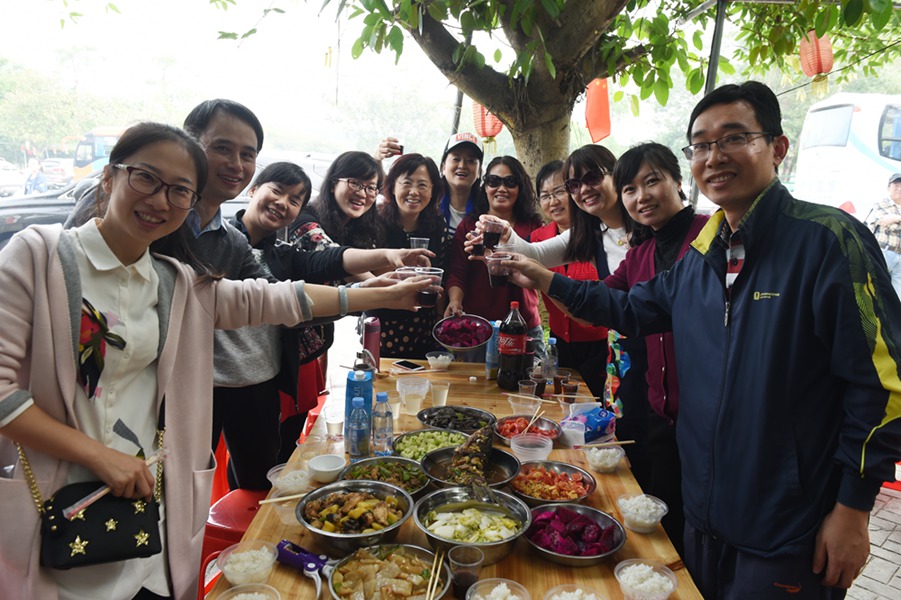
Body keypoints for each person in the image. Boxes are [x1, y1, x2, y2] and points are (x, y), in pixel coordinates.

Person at [0, 122, 430, 600]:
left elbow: (268, 298)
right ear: (109, 176)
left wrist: (375, 294)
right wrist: (100, 457)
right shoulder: (39, 257)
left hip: (150, 513)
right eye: (146, 178)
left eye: (179, 190)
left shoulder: (173, 281)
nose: (161, 200)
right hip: (58, 512)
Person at [507, 81, 901, 598]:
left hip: (788, 524)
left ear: (778, 147)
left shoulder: (826, 240)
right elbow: (628, 308)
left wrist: (853, 507)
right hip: (703, 512)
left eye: (734, 138)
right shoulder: (704, 253)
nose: (714, 156)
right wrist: (543, 278)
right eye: (701, 145)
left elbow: (882, 386)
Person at [232, 161, 432, 461]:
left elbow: (327, 261)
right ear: (253, 189)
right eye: (277, 191)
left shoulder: (281, 253)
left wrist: (379, 275)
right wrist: (381, 289)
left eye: (294, 200)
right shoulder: (230, 242)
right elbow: (284, 296)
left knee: (269, 458)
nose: (283, 203)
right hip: (228, 379)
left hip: (272, 368)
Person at [445, 155, 544, 359]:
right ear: (485, 186)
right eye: (494, 181)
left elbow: (543, 271)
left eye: (510, 182)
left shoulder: (533, 225)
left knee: (530, 378)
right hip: (478, 327)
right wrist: (455, 301)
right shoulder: (469, 226)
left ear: (520, 187)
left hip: (523, 324)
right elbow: (457, 272)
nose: (501, 188)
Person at [370, 153, 451, 357]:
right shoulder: (375, 222)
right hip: (383, 321)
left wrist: (440, 319)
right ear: (392, 186)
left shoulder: (437, 225)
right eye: (406, 183)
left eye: (422, 185)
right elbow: (366, 271)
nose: (414, 192)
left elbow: (442, 272)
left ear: (432, 190)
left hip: (424, 326)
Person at [529, 160, 607, 370]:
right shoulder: (538, 239)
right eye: (545, 196)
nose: (553, 201)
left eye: (559, 192)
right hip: (559, 343)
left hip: (600, 343)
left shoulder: (599, 235)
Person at [437, 132, 483, 233]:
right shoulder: (429, 203)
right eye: (456, 159)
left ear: (479, 171)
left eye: (471, 161)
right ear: (443, 167)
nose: (462, 166)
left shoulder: (487, 209)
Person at [866, 172, 901, 298]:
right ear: (888, 188)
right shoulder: (881, 204)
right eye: (896, 185)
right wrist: (894, 220)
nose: (899, 188)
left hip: (900, 256)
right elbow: (887, 224)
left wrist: (895, 218)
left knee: (898, 296)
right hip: (883, 252)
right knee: (876, 290)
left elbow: (893, 224)